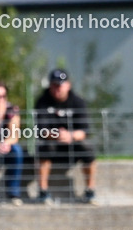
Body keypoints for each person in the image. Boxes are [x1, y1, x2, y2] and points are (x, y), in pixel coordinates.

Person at [33, 68, 97, 205]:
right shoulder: (42, 102)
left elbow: (84, 131)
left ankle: (90, 191)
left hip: (73, 145)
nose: (57, 88)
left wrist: (70, 135)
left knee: (88, 148)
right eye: (54, 85)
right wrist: (56, 134)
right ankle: (43, 192)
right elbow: (41, 131)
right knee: (43, 148)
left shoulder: (78, 102)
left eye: (60, 85)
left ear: (68, 85)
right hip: (52, 144)